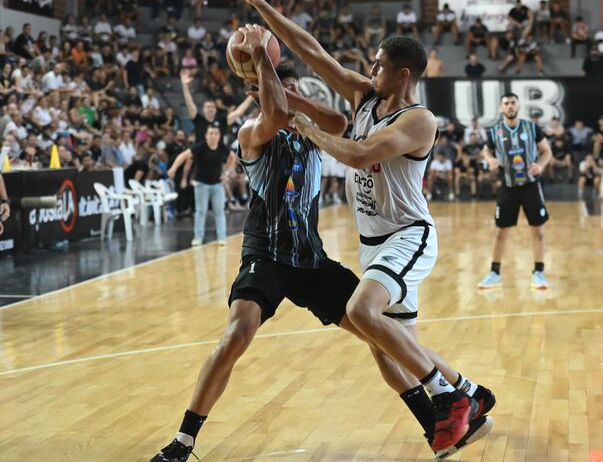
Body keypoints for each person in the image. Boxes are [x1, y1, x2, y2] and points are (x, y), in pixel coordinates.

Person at [151, 24, 491, 462]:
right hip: (266, 255)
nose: (287, 96)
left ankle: (455, 405)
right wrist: (263, 66)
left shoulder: (313, 131)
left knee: (379, 334)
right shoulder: (253, 133)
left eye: (291, 89)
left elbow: (336, 121)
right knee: (238, 332)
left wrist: (285, 88)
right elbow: (275, 113)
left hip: (310, 258)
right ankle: (183, 441)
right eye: (280, 88)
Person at [221, 0, 495, 455]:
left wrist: (308, 128)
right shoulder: (366, 96)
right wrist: (257, 4)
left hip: (409, 234)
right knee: (388, 344)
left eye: (378, 66)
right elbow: (312, 50)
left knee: (360, 310)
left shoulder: (418, 120)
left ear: (402, 74)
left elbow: (360, 153)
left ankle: (450, 401)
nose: (369, 71)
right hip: (375, 242)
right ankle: (472, 392)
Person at [477, 93, 553, 291]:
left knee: (538, 230)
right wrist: (490, 159)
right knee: (501, 231)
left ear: (518, 105)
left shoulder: (531, 127)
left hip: (530, 185)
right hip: (507, 186)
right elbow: (486, 150)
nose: (509, 106)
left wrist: (541, 166)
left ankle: (539, 272)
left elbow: (547, 151)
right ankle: (494, 273)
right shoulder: (495, 131)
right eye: (506, 103)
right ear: (501, 108)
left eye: (512, 103)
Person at [167, 125, 235, 246]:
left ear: (219, 136)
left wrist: (226, 172)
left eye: (216, 133)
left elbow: (233, 158)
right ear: (206, 135)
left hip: (217, 185)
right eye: (210, 133)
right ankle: (198, 237)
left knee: (219, 211)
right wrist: (173, 168)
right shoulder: (200, 147)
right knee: (200, 212)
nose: (213, 136)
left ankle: (222, 237)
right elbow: (183, 156)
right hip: (201, 185)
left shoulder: (222, 147)